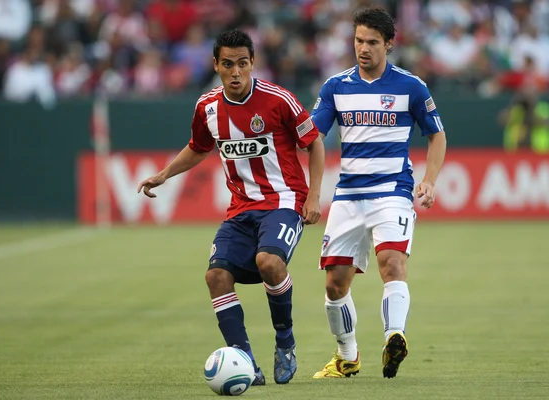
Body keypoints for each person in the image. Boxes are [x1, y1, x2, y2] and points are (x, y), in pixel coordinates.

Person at [137, 28, 325, 385]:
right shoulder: (207, 107)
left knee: (268, 262)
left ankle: (285, 341)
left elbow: (314, 142)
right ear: (216, 65)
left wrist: (314, 196)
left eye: (242, 64)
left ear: (253, 62)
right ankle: (245, 362)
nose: (236, 72)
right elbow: (198, 146)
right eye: (228, 65)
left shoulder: (278, 99)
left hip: (283, 201)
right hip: (240, 209)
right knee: (216, 276)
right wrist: (164, 174)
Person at [310, 8, 447, 379]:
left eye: (372, 42)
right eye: (358, 41)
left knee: (392, 264)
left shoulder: (411, 86)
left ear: (389, 43)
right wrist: (308, 190)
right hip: (349, 194)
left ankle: (394, 337)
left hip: (393, 190)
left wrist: (429, 180)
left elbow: (436, 135)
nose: (363, 48)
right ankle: (347, 356)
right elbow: (312, 138)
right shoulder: (335, 87)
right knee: (335, 283)